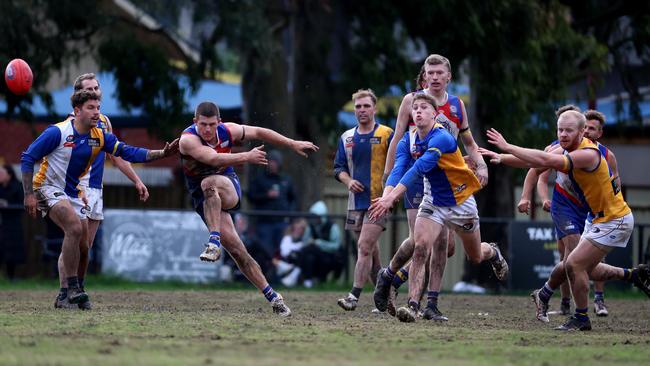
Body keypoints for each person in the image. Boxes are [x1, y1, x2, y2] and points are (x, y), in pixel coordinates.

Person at [480, 110, 650, 331]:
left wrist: (508, 146)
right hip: (596, 219)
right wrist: (501, 158)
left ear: (582, 132)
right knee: (581, 266)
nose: (563, 134)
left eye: (569, 130)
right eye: (560, 129)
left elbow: (544, 159)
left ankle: (580, 318)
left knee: (574, 264)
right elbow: (536, 164)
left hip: (614, 219)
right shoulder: (568, 147)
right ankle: (633, 275)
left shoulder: (588, 153)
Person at [20, 90, 178, 308]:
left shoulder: (99, 135)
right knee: (74, 228)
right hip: (46, 187)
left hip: (73, 192)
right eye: (90, 108)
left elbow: (127, 152)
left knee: (84, 247)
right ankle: (71, 288)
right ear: (77, 111)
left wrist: (162, 153)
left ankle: (73, 294)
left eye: (98, 108)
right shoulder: (58, 132)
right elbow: (28, 157)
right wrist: (28, 194)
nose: (96, 113)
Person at [369, 93, 508, 323]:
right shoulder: (408, 139)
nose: (419, 111)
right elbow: (399, 168)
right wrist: (386, 196)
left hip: (461, 201)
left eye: (424, 107)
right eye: (415, 108)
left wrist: (391, 197)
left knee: (475, 256)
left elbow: (420, 168)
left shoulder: (442, 137)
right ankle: (413, 305)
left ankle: (492, 251)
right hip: (433, 201)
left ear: (435, 114)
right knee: (421, 247)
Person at [178, 101, 318, 316]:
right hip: (204, 199)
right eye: (203, 124)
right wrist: (246, 157)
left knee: (209, 183)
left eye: (212, 124)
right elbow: (213, 158)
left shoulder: (227, 130)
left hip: (226, 187)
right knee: (237, 251)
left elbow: (260, 131)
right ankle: (273, 297)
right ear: (195, 122)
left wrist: (291, 143)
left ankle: (213, 241)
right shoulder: (188, 140)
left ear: (219, 122)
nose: (207, 129)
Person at [55, 73, 152, 310]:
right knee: (73, 241)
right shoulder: (71, 124)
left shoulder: (104, 122)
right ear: (78, 97)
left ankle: (78, 291)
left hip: (97, 190)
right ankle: (64, 293)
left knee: (85, 248)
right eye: (89, 89)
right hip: (79, 189)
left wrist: (136, 180)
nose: (94, 91)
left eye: (96, 88)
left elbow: (115, 156)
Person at [518, 107, 620, 317]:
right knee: (572, 258)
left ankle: (592, 299)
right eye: (561, 129)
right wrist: (532, 197)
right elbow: (536, 173)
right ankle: (569, 306)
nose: (589, 131)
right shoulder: (556, 149)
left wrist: (613, 205)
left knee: (577, 260)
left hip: (592, 210)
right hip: (565, 206)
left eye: (592, 128)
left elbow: (614, 182)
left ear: (592, 132)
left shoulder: (604, 154)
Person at [333, 89, 394, 311]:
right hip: (355, 202)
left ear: (374, 108)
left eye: (366, 106)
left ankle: (353, 296)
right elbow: (338, 168)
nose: (362, 110)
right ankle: (385, 299)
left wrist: (392, 193)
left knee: (364, 246)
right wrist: (348, 181)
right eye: (358, 107)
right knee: (371, 254)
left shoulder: (388, 134)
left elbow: (400, 163)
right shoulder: (346, 137)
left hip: (379, 201)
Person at [248, 150, 296, 258]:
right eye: (270, 161)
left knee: (282, 251)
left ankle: (279, 274)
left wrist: (290, 216)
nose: (273, 164)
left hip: (282, 222)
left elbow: (292, 199)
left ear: (279, 163)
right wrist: (266, 195)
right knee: (266, 250)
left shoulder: (286, 180)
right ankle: (266, 274)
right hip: (265, 222)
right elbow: (251, 196)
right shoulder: (259, 179)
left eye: (275, 162)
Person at [299, 200, 344, 287]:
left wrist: (319, 243)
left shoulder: (332, 227)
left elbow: (335, 246)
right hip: (315, 255)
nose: (314, 219)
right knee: (308, 256)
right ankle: (308, 281)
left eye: (316, 217)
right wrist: (310, 243)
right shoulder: (311, 227)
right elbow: (304, 243)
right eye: (313, 217)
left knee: (324, 259)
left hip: (330, 256)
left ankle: (326, 282)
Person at [0, 164, 26, 280]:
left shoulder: (18, 186)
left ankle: (12, 276)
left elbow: (22, 205)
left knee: (12, 250)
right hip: (2, 223)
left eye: (1, 173)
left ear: (9, 175)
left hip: (13, 224)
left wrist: (7, 205)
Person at [275, 218, 308, 287]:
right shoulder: (287, 238)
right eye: (296, 228)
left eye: (300, 229)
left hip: (296, 264)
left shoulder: (304, 240)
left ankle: (293, 277)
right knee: (295, 255)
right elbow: (284, 253)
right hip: (285, 262)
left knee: (302, 255)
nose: (297, 231)